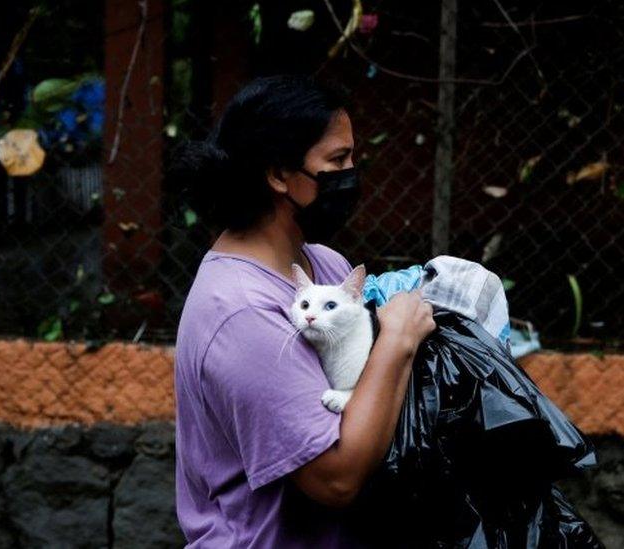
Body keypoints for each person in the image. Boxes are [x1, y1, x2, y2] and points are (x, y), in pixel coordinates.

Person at [172, 75, 435, 548]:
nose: (352, 173)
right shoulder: (240, 310)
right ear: (277, 175)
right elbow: (335, 480)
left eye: (353, 157)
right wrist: (398, 341)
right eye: (337, 160)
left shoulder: (322, 265)